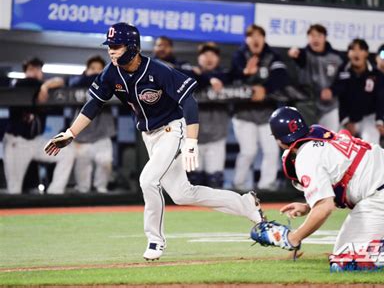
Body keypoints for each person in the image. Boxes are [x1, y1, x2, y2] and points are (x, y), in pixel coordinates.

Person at [44, 23, 265, 261]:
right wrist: (71, 132)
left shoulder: (158, 70)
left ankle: (155, 240)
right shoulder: (111, 72)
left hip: (173, 129)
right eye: (110, 46)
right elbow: (94, 104)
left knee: (148, 180)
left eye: (116, 46)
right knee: (182, 194)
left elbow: (189, 101)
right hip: (150, 136)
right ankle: (246, 204)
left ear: (132, 47)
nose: (111, 51)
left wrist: (191, 142)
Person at [250, 106, 384, 271]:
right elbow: (342, 175)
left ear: (280, 139)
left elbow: (325, 207)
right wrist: (307, 206)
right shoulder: (320, 133)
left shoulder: (305, 157)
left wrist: (294, 238)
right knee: (368, 189)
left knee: (343, 260)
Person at [230, 24, 289, 191]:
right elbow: (231, 78)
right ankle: (238, 186)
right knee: (248, 151)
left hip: (268, 112)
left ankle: (266, 186)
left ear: (264, 38)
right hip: (243, 112)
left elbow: (282, 77)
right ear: (246, 39)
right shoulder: (239, 56)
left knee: (271, 151)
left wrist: (266, 88)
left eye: (258, 35)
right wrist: (245, 73)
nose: (255, 39)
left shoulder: (273, 56)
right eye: (251, 36)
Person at [4, 57, 74, 194]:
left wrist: (45, 86)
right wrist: (43, 85)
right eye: (31, 69)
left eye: (38, 69)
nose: (35, 72)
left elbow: (61, 81)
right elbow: (28, 83)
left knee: (67, 153)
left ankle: (55, 193)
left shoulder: (43, 87)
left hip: (35, 142)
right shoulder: (18, 84)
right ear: (25, 71)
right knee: (14, 190)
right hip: (17, 143)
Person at [68, 55, 115, 193]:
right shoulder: (77, 82)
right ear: (86, 70)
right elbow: (71, 82)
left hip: (102, 134)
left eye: (99, 69)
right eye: (92, 68)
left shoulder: (109, 83)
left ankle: (102, 191)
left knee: (105, 162)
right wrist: (93, 76)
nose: (96, 71)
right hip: (82, 135)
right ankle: (83, 198)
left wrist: (102, 77)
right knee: (83, 174)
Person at [186, 42, 230, 188]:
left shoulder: (225, 75)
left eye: (213, 54)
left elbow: (227, 77)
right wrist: (207, 79)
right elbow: (190, 78)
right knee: (194, 181)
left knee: (215, 180)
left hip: (217, 137)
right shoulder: (188, 74)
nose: (209, 58)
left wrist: (208, 77)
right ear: (199, 57)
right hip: (193, 138)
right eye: (205, 54)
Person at [332, 39, 384, 144]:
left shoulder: (377, 74)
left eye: (360, 49)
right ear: (348, 54)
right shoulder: (341, 73)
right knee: (338, 144)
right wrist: (346, 121)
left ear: (366, 53)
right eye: (353, 49)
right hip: (346, 119)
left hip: (369, 118)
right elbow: (337, 98)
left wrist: (380, 121)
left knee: (371, 143)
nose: (356, 53)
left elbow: (383, 100)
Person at [288, 24, 343, 130]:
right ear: (308, 38)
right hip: (307, 105)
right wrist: (294, 54)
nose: (315, 39)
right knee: (307, 140)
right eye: (312, 35)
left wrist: (333, 91)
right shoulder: (303, 54)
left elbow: (343, 81)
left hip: (329, 106)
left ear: (325, 37)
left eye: (319, 35)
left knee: (330, 140)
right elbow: (298, 57)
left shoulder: (336, 57)